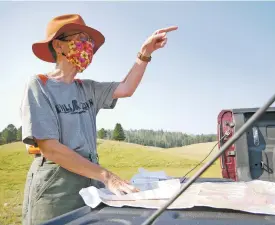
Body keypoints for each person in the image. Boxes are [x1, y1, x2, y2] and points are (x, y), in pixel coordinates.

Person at [20, 14, 177, 225]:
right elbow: (51, 148)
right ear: (58, 45)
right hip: (55, 188)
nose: (88, 48)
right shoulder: (39, 85)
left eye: (90, 43)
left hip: (90, 183)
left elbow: (126, 88)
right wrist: (107, 177)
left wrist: (145, 53)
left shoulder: (87, 88)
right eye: (82, 39)